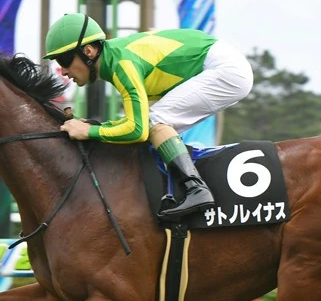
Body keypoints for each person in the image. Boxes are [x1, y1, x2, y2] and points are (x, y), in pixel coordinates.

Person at [44, 13, 254, 220]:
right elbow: (134, 126)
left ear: (88, 51)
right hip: (219, 64)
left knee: (155, 121)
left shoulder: (122, 64)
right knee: (154, 123)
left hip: (225, 69)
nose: (63, 71)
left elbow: (137, 129)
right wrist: (96, 127)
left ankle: (195, 189)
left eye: (64, 60)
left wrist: (90, 131)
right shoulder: (114, 59)